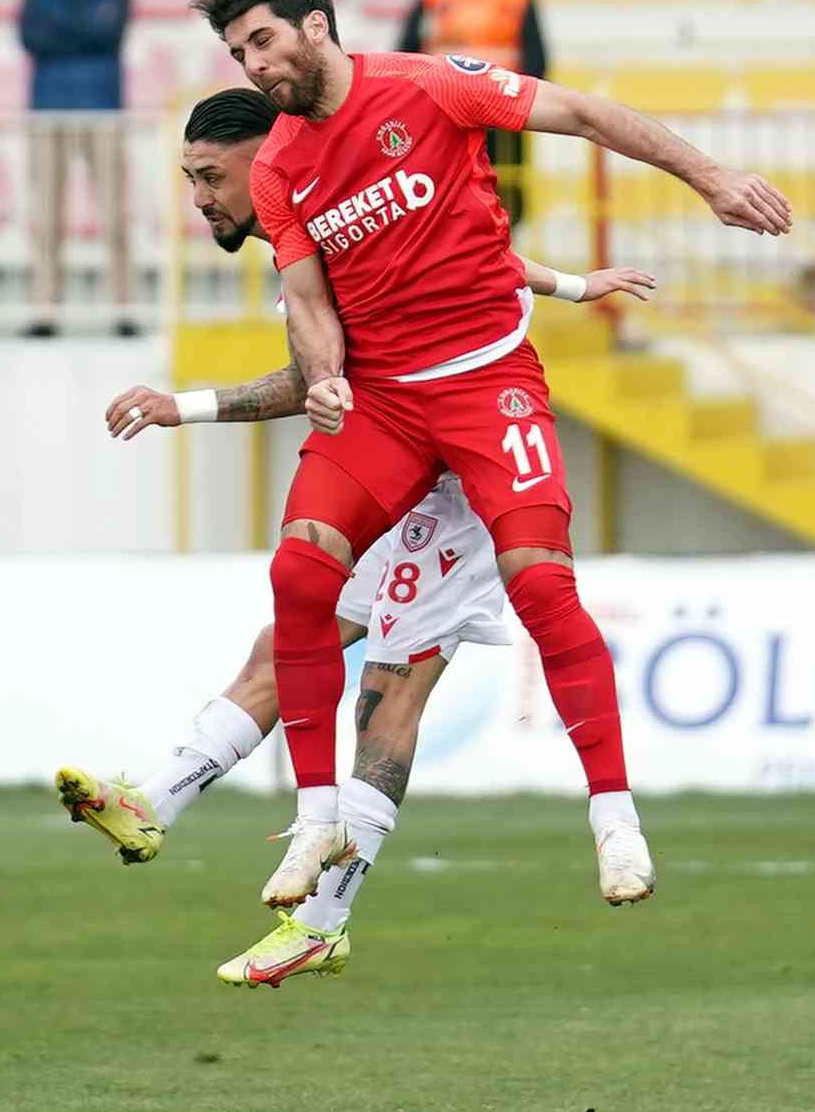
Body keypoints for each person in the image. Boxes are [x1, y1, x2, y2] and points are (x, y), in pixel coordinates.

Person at [190, 0, 790, 908]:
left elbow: (584, 114)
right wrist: (328, 375)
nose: (254, 66)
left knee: (542, 585)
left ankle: (615, 820)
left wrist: (709, 178)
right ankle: (312, 824)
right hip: (386, 403)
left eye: (262, 41)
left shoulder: (431, 85)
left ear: (316, 26)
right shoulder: (276, 167)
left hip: (485, 383)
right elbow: (305, 301)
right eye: (237, 54)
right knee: (299, 575)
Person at [60, 87, 659, 987]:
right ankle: (157, 800)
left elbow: (456, 273)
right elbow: (338, 358)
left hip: (460, 482)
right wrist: (573, 284)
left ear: (266, 158)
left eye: (211, 177)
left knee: (388, 696)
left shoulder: (339, 207)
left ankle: (325, 918)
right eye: (190, 180)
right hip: (390, 459)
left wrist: (184, 406)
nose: (200, 199)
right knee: (284, 641)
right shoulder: (308, 234)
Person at [18, 0, 133, 338]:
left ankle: (123, 307)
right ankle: (45, 310)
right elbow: (32, 38)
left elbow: (109, 32)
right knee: (47, 216)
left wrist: (63, 33)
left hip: (103, 111)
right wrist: (85, 32)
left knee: (115, 214)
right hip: (50, 112)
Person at [400, 0, 546, 222]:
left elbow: (535, 51)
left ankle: (508, 231)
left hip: (503, 106)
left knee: (505, 182)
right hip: (448, 104)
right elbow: (407, 44)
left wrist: (527, 101)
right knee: (449, 178)